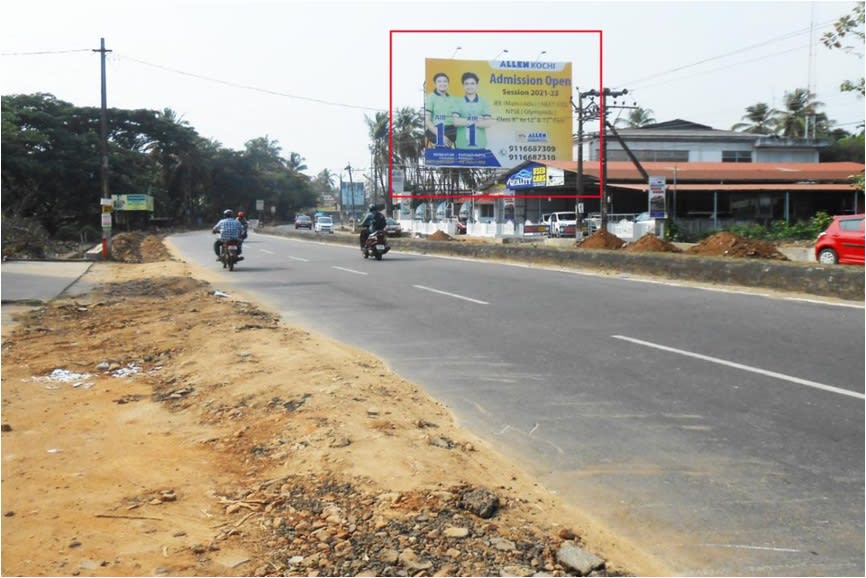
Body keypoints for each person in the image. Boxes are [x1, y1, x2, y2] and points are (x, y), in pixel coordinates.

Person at [452, 71, 495, 149]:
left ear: (477, 85)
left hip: (480, 146)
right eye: (466, 84)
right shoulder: (457, 102)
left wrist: (464, 121)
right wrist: (477, 120)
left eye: (472, 83)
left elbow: (488, 123)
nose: (469, 86)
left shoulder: (484, 102)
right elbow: (456, 122)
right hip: (462, 146)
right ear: (463, 85)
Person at [424, 72, 456, 148]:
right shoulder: (430, 97)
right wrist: (440, 135)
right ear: (435, 84)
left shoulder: (452, 98)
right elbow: (427, 120)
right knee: (441, 144)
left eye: (445, 81)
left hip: (451, 130)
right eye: (439, 81)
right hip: (435, 129)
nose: (442, 83)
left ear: (448, 83)